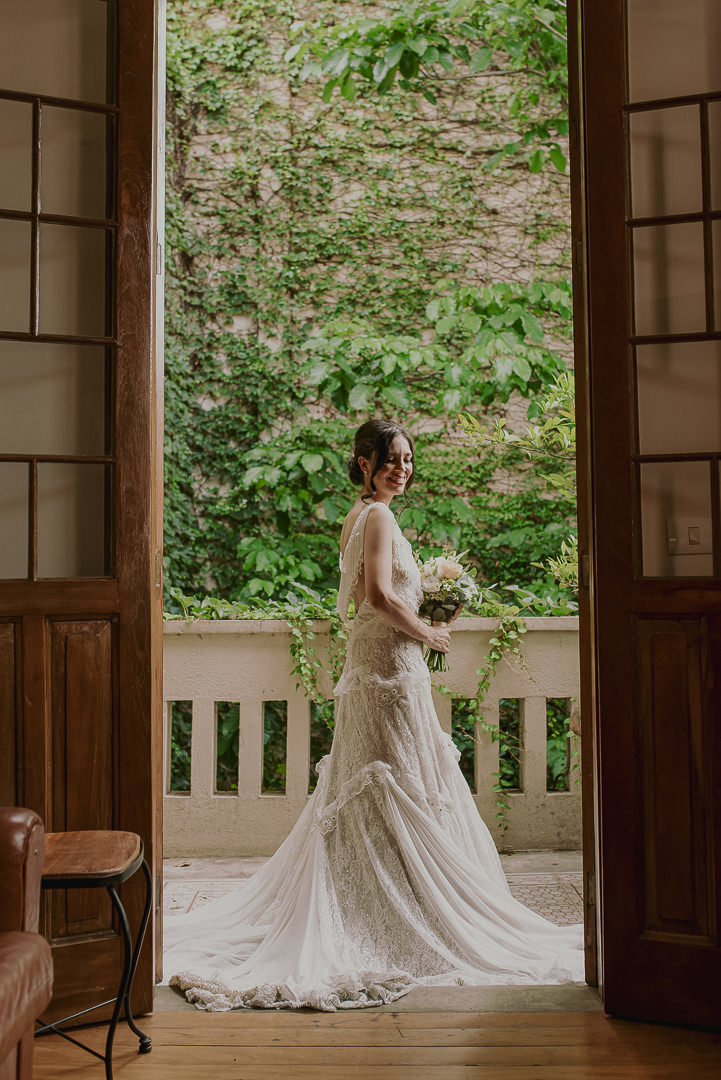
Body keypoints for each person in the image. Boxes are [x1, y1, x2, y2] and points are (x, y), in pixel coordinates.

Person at [165, 418, 585, 1011]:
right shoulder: (379, 517)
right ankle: (390, 912)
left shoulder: (359, 515)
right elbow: (381, 597)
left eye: (409, 460)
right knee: (393, 782)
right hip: (387, 668)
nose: (402, 469)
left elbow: (366, 597)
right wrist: (430, 633)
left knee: (386, 781)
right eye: (391, 459)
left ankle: (377, 901)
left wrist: (431, 606)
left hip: (379, 663)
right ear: (364, 462)